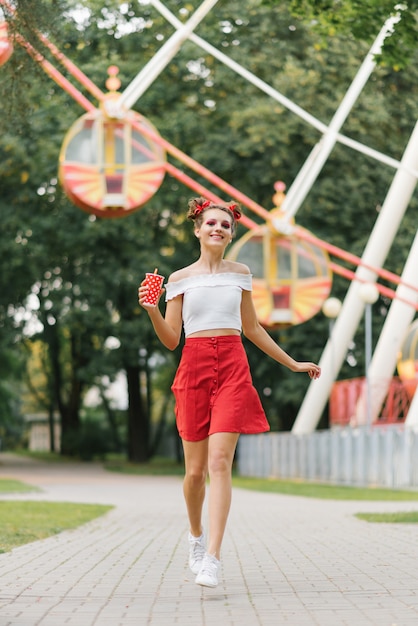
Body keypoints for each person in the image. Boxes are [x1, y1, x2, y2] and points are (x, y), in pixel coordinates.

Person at [138, 197, 321, 589]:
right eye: (211, 223)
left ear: (231, 232)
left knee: (220, 463)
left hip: (234, 368)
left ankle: (214, 559)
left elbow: (252, 328)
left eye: (225, 224)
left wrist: (292, 363)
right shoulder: (180, 278)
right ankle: (195, 537)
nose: (218, 228)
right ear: (198, 229)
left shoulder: (241, 273)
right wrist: (153, 309)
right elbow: (172, 340)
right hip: (194, 367)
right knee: (194, 474)